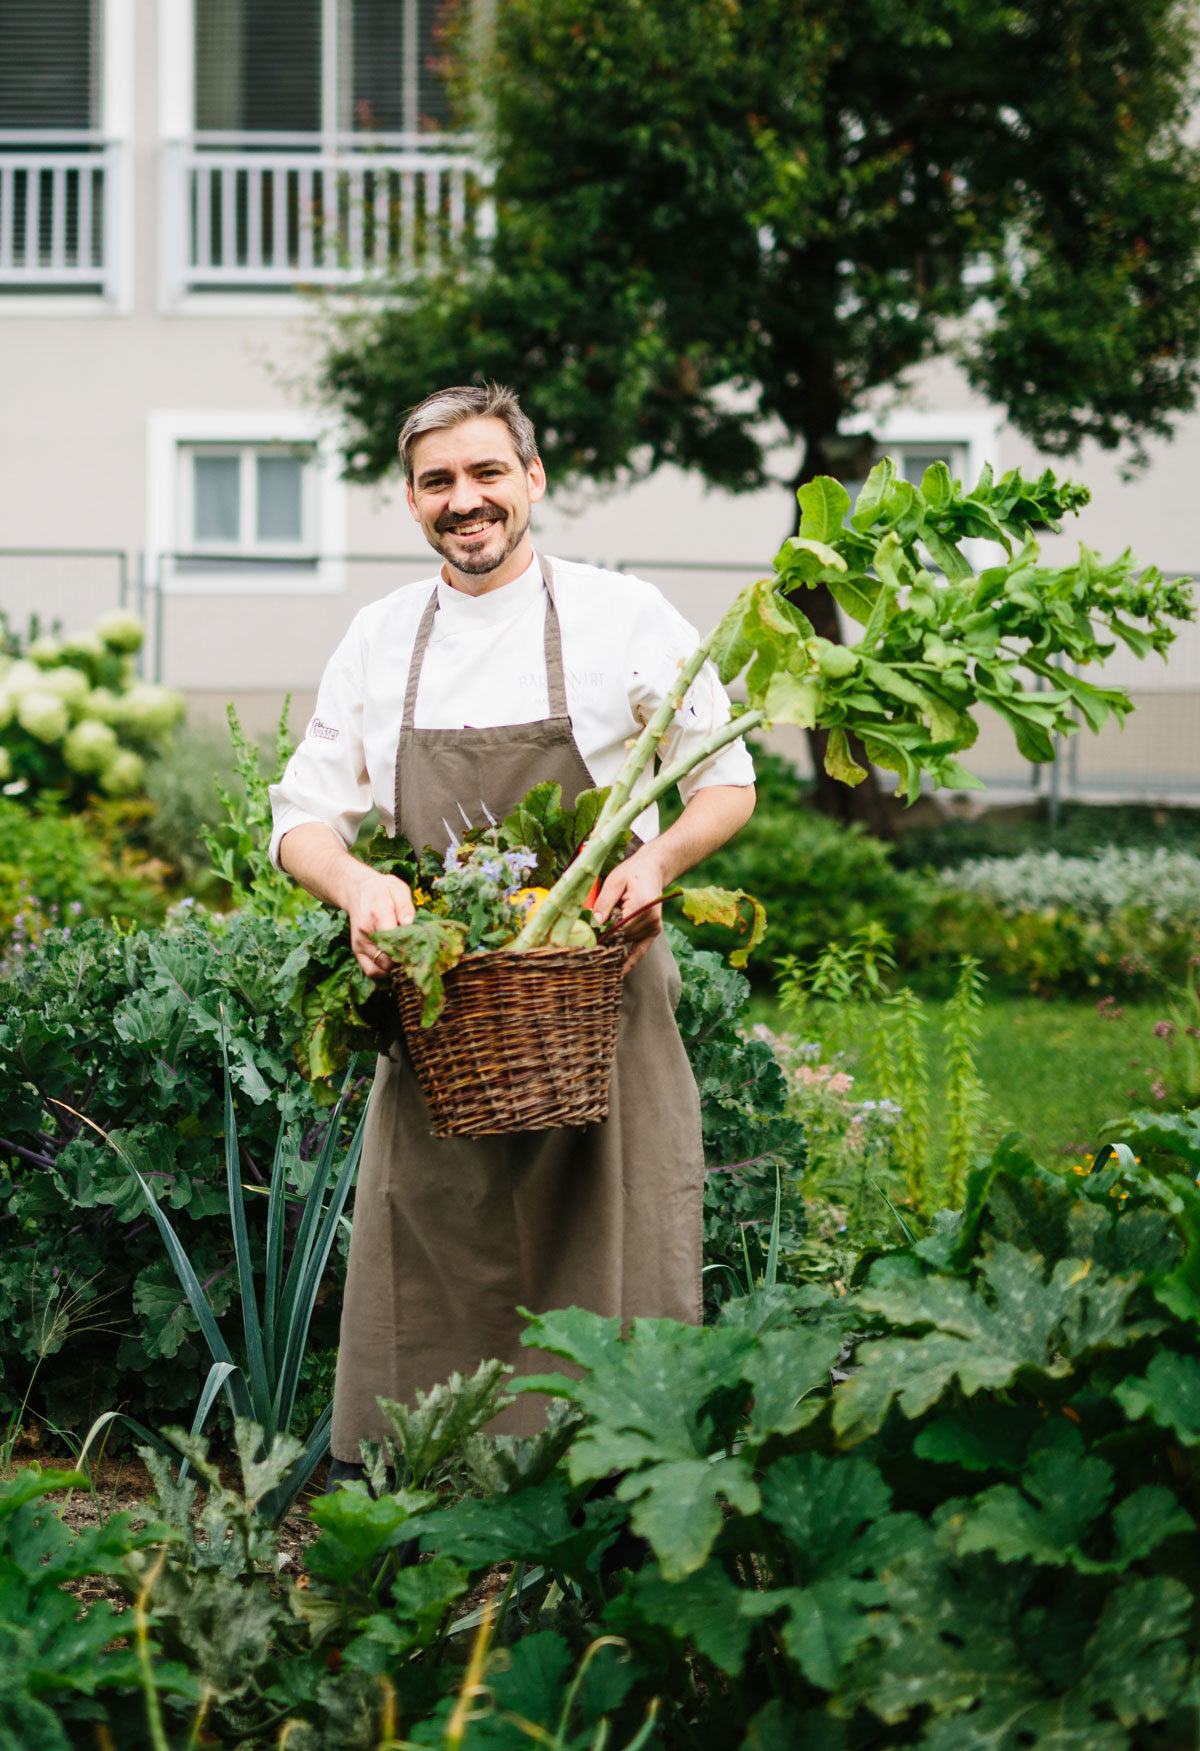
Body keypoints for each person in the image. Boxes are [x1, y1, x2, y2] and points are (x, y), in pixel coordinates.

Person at [269, 383, 755, 1478]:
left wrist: (652, 861)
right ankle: (419, 1505)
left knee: (615, 1250)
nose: (465, 500)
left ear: (532, 480)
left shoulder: (622, 616)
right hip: (448, 1015)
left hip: (599, 997)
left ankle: (615, 1504)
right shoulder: (382, 635)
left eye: (487, 472)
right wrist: (355, 886)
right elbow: (301, 816)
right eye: (438, 481)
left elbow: (727, 780)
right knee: (436, 1253)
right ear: (411, 501)